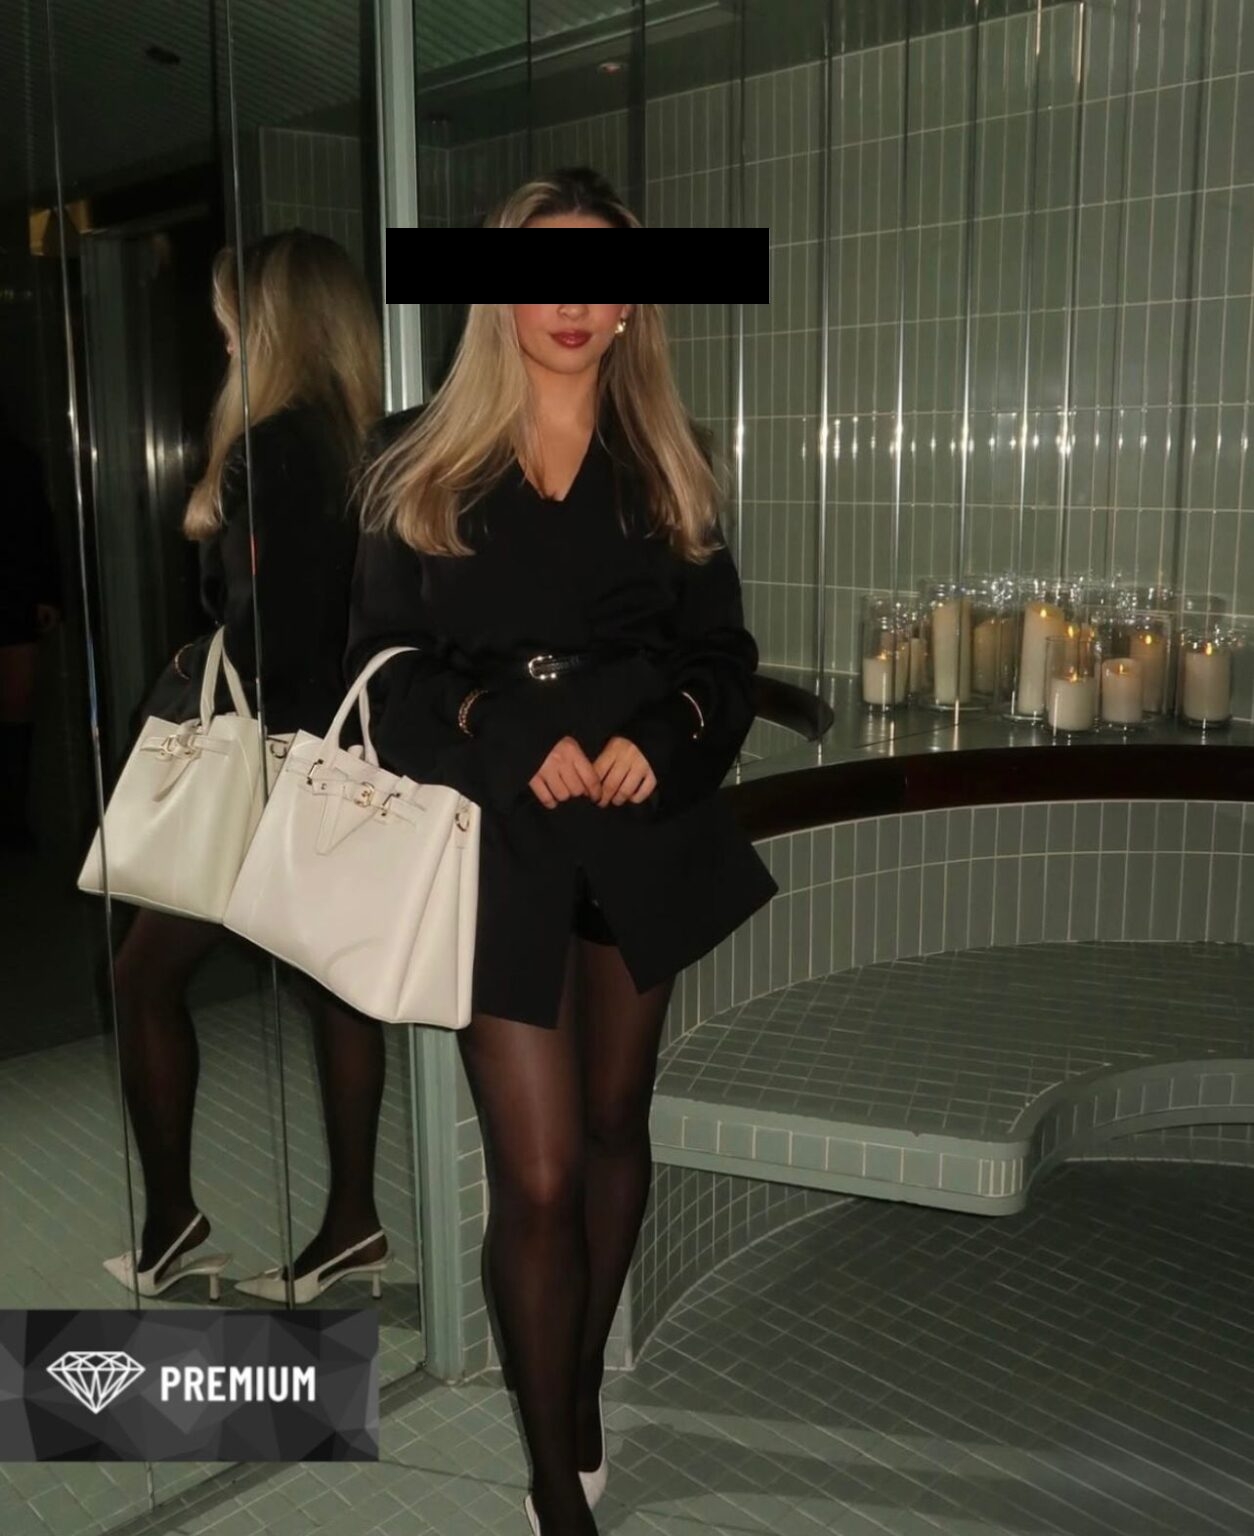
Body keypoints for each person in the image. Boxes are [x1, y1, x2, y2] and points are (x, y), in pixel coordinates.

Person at [346, 167, 778, 1536]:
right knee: (535, 1172)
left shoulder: (672, 456)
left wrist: (668, 733)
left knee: (612, 1127)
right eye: (546, 276)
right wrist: (498, 728)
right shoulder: (414, 456)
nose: (573, 304)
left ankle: (576, 1382)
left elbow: (722, 656)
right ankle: (552, 1478)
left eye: (601, 278)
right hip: (496, 836)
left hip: (641, 828)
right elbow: (381, 672)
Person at [102, 229, 389, 1304]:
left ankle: (173, 1221)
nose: (222, 335)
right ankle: (351, 1223)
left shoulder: (266, 448)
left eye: (232, 317)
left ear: (269, 325)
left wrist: (210, 643)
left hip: (264, 761)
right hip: (339, 753)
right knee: (333, 990)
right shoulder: (366, 442)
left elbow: (270, 630)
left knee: (141, 979)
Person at [0, 407, 62, 853]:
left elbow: (40, 528)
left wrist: (47, 595)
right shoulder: (18, 458)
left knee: (16, 712)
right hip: (16, 594)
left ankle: (13, 820)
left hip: (13, 596)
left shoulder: (17, 459)